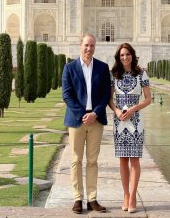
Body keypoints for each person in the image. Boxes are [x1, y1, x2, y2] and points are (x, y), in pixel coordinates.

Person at [61, 34, 111, 214]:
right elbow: (67, 95)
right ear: (80, 46)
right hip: (77, 119)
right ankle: (77, 199)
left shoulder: (102, 67)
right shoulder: (69, 68)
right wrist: (83, 114)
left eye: (91, 45)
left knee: (92, 161)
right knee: (76, 160)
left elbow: (106, 94)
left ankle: (92, 199)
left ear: (95, 47)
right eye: (86, 45)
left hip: (96, 119)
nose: (89, 48)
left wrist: (95, 112)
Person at [107, 43, 151, 214]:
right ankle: (125, 195)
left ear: (132, 55)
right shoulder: (114, 75)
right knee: (123, 160)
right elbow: (110, 99)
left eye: (127, 54)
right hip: (120, 121)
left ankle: (133, 196)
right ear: (119, 57)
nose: (125, 58)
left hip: (136, 120)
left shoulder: (141, 74)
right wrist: (117, 110)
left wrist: (133, 109)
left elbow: (148, 99)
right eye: (122, 55)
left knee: (135, 160)